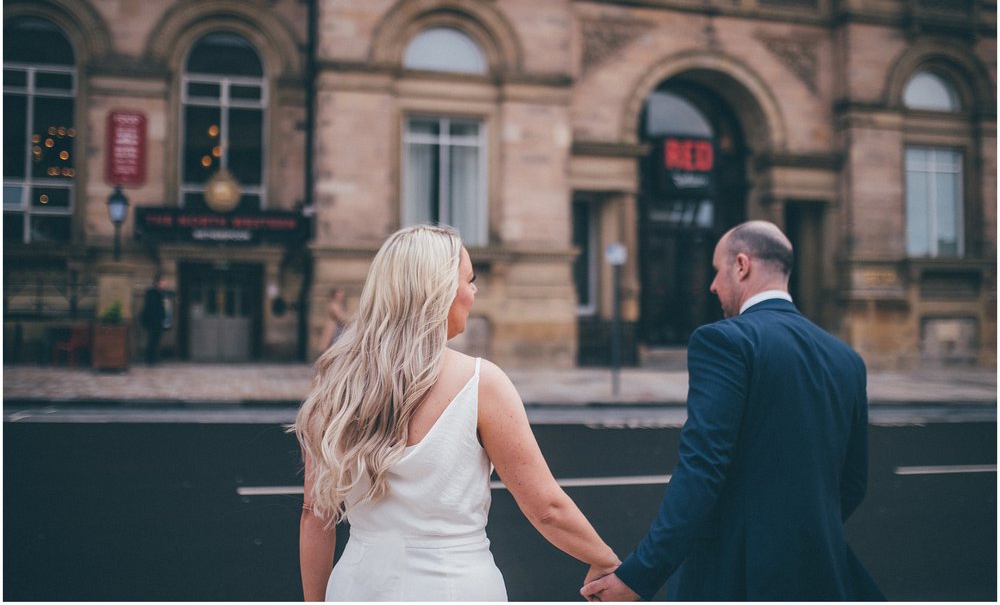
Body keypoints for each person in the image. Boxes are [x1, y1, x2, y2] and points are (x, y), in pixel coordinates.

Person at [294, 224, 619, 601]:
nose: (474, 291)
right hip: (453, 586)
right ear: (440, 292)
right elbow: (546, 507)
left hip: (357, 586)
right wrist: (605, 560)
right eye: (469, 279)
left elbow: (315, 516)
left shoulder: (336, 382)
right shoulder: (481, 383)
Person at [582, 220, 883, 602]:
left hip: (736, 576)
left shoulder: (724, 341)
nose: (712, 285)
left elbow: (702, 470)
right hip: (820, 572)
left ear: (741, 266)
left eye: (717, 270)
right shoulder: (846, 359)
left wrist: (640, 575)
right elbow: (853, 482)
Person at [140, 273, 167, 366]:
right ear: (158, 283)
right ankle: (150, 360)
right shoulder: (152, 293)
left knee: (155, 340)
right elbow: (152, 307)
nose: (165, 283)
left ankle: (153, 358)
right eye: (163, 282)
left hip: (157, 321)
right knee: (152, 340)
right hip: (153, 321)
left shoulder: (160, 293)